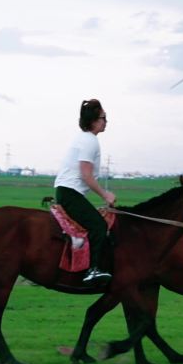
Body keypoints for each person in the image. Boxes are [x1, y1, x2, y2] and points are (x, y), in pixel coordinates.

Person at [54, 99, 116, 285]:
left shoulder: (84, 139)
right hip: (70, 192)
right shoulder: (90, 141)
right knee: (98, 225)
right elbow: (86, 175)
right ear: (94, 121)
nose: (106, 121)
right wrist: (106, 195)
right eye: (104, 118)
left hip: (69, 191)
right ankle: (93, 270)